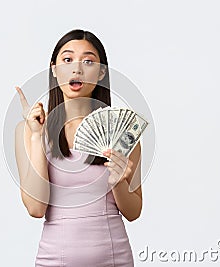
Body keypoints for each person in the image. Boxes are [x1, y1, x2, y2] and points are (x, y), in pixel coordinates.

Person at [15, 29, 142, 267]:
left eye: (88, 61)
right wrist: (35, 137)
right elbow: (35, 207)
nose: (77, 69)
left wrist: (118, 182)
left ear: (101, 71)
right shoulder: (32, 130)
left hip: (114, 259)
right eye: (67, 59)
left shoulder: (122, 132)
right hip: (54, 260)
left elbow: (134, 212)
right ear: (54, 68)